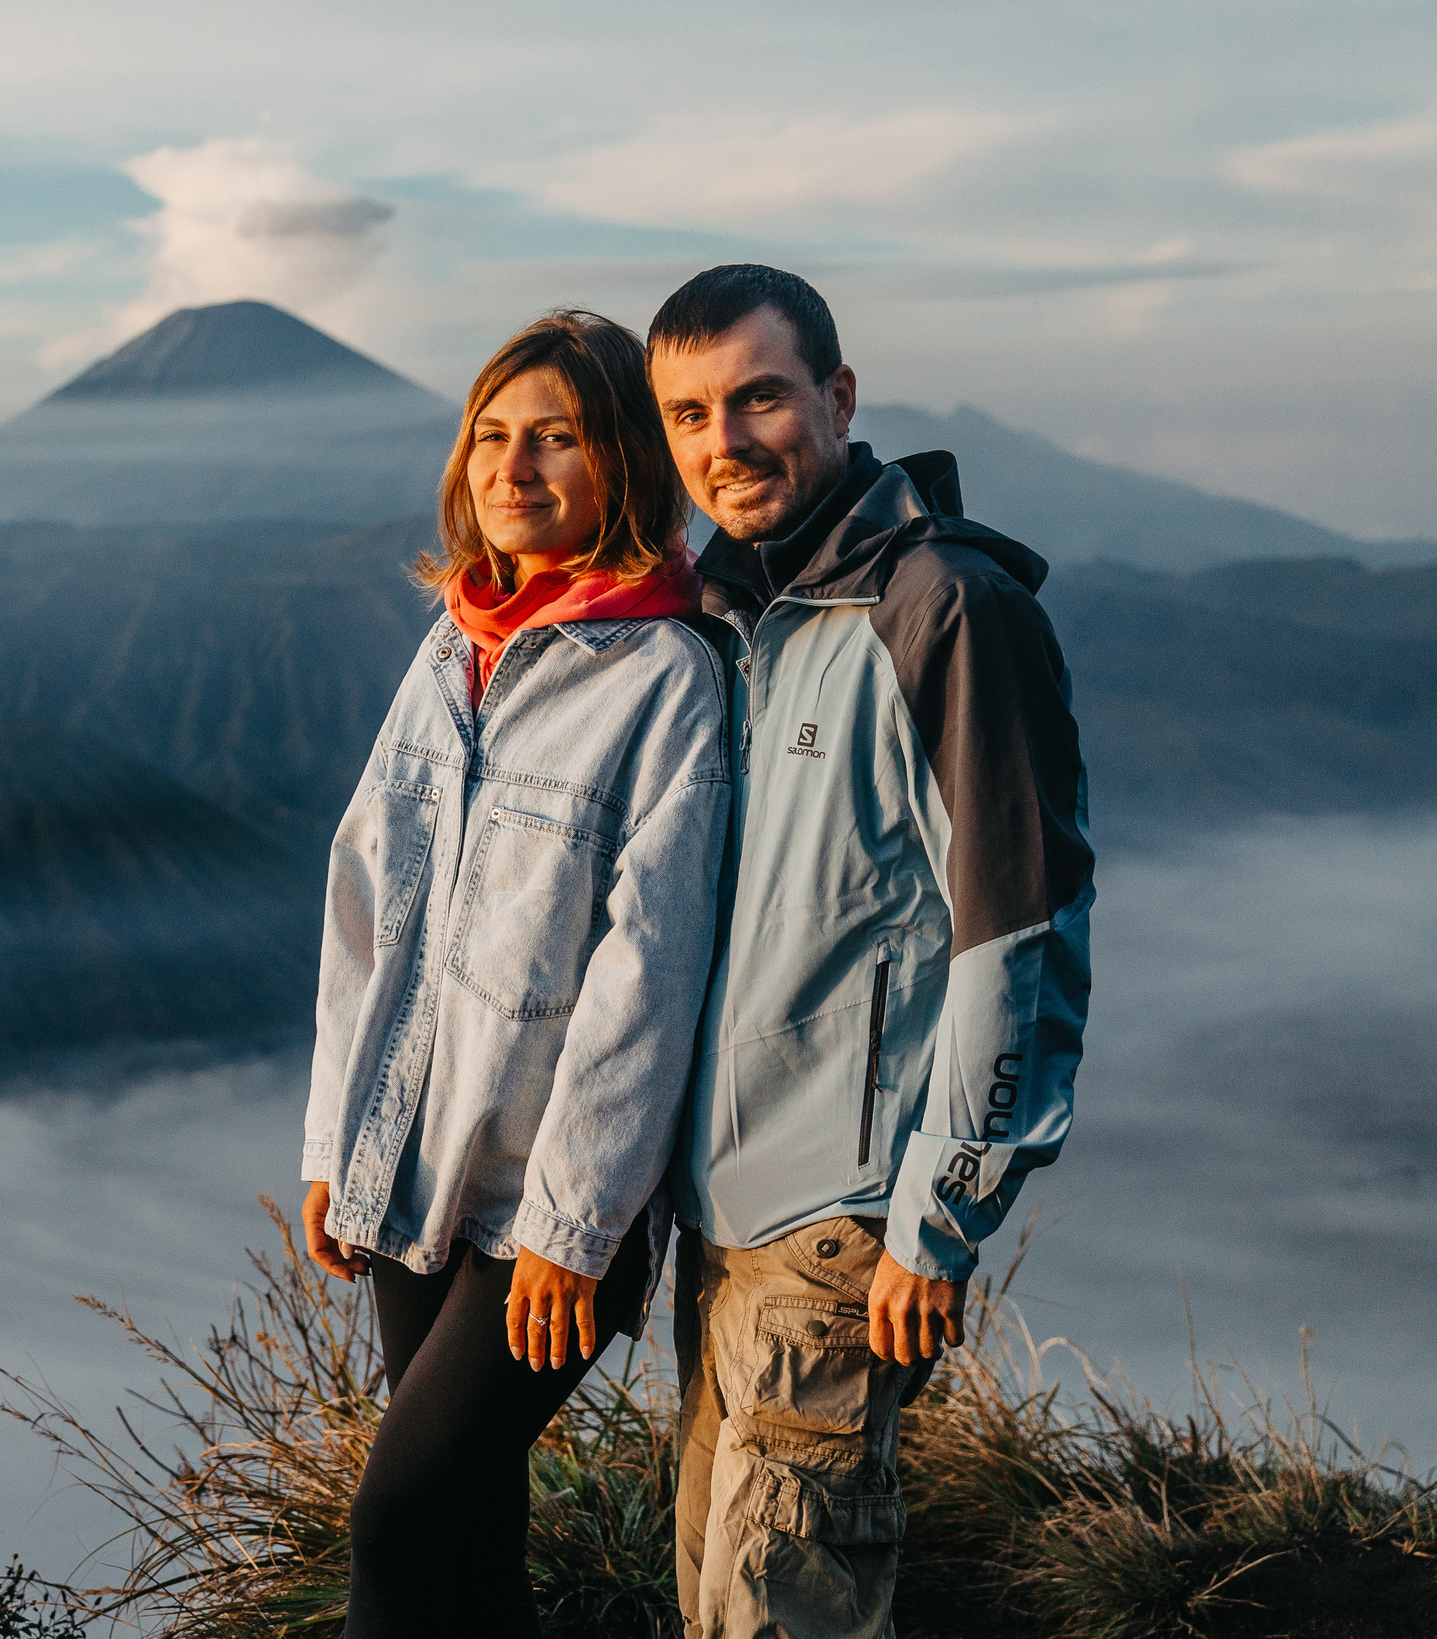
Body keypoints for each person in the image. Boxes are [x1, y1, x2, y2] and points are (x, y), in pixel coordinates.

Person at [646, 264, 1094, 1636]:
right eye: (689, 413)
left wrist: (938, 1219)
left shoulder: (941, 612)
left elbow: (1019, 930)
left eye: (760, 398)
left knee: (780, 1616)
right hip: (719, 1231)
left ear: (838, 399)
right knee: (719, 1609)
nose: (725, 443)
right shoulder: (730, 625)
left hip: (842, 1232)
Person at [300, 309, 733, 1638]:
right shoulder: (451, 651)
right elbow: (363, 906)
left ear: (623, 465)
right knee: (469, 1522)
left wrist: (573, 1222)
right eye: (492, 436)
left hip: (549, 1213)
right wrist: (337, 1144)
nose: (514, 467)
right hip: (417, 1172)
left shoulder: (666, 675)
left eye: (557, 437)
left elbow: (646, 973)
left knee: (397, 1515)